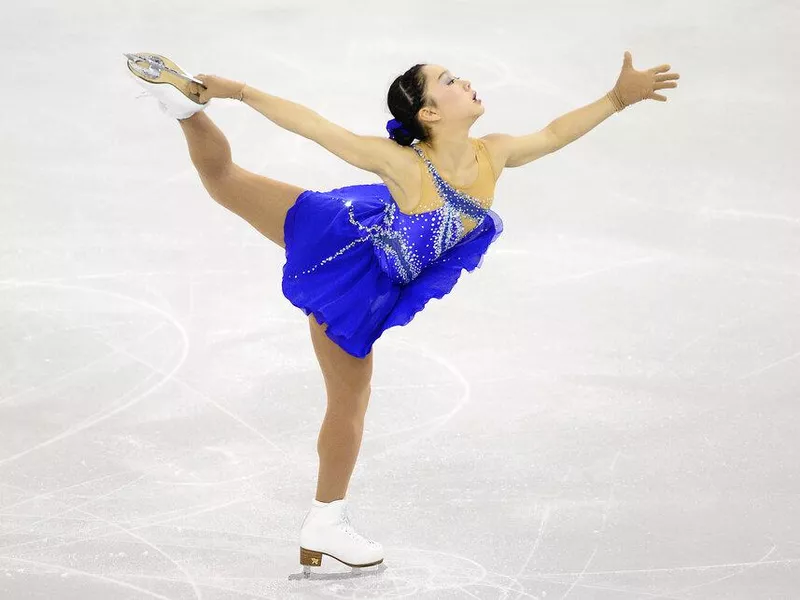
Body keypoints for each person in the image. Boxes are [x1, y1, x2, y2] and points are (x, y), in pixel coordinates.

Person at [123, 51, 679, 573]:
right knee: (347, 396)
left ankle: (182, 109)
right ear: (430, 112)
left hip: (377, 243)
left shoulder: (496, 151)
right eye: (449, 81)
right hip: (349, 263)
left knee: (348, 394)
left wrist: (617, 98)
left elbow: (557, 133)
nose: (464, 82)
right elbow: (316, 127)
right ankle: (325, 523)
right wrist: (241, 91)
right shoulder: (403, 164)